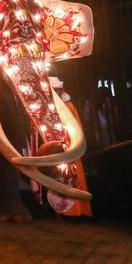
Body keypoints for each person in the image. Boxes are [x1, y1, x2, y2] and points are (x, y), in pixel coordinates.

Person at [50, 76, 92, 218]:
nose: (58, 92)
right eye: (55, 90)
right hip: (54, 149)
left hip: (70, 148)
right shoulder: (46, 108)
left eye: (59, 90)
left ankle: (78, 211)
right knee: (56, 179)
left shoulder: (69, 106)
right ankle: (60, 213)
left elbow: (77, 127)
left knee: (74, 179)